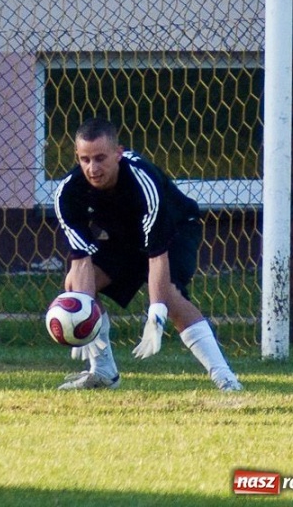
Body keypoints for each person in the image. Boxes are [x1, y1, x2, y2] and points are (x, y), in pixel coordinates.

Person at [53, 117, 242, 392]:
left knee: (171, 298)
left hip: (175, 232)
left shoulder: (143, 181)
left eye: (100, 158)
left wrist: (156, 313)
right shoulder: (68, 193)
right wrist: (84, 314)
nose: (92, 168)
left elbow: (157, 255)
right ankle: (103, 373)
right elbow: (81, 261)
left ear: (118, 153)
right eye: (85, 159)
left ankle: (226, 379)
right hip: (125, 240)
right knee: (75, 286)